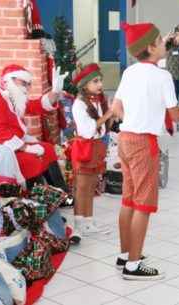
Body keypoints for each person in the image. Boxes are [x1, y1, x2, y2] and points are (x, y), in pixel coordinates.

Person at [114, 22, 179, 280]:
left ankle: (125, 254)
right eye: (161, 41)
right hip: (142, 144)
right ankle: (133, 265)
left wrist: (136, 117)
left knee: (129, 198)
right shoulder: (163, 77)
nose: (165, 43)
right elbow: (175, 115)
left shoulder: (129, 72)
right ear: (151, 47)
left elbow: (116, 108)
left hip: (125, 139)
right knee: (143, 204)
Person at [0, 64, 69, 190]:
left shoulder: (12, 98)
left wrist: (54, 93)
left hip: (8, 142)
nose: (26, 87)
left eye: (28, 84)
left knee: (47, 149)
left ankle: (62, 193)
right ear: (8, 81)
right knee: (31, 158)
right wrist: (25, 147)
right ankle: (35, 197)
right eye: (23, 83)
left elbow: (35, 106)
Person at [69, 63, 114, 242]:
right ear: (85, 84)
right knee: (82, 187)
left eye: (100, 80)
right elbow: (88, 130)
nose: (99, 84)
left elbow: (103, 128)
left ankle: (89, 220)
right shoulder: (79, 104)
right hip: (84, 149)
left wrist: (111, 115)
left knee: (91, 186)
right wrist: (108, 114)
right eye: (95, 81)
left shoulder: (98, 100)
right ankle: (80, 222)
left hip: (96, 148)